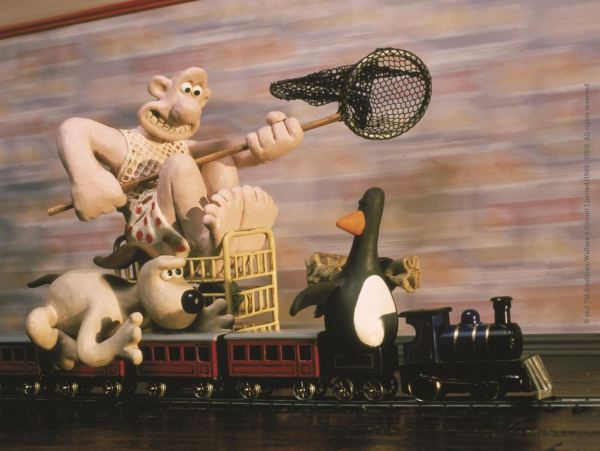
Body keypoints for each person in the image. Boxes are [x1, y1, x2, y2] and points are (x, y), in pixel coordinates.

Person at [57, 67, 303, 257]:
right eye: (186, 90)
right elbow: (75, 128)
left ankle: (230, 230)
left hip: (193, 225)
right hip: (152, 234)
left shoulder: (185, 146)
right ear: (160, 89)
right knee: (180, 164)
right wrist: (88, 177)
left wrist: (265, 147)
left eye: (196, 95)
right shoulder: (125, 143)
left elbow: (232, 148)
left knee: (219, 157)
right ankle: (207, 241)